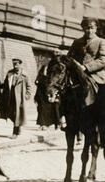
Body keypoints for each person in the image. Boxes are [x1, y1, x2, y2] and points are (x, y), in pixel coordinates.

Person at [67, 16, 105, 148]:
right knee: (65, 92)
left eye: (92, 28)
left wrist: (86, 67)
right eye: (86, 28)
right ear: (83, 28)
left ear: (96, 28)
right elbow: (69, 57)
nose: (89, 30)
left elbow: (103, 60)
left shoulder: (101, 41)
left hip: (97, 75)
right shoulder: (77, 42)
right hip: (78, 75)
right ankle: (65, 120)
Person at [1, 58, 32, 139]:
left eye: (17, 64)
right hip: (10, 97)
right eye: (14, 64)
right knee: (11, 114)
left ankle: (15, 132)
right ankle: (18, 127)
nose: (15, 66)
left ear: (20, 64)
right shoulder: (10, 73)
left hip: (20, 99)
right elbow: (5, 85)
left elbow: (29, 87)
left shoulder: (24, 75)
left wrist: (26, 96)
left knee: (17, 115)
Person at [34, 64, 60, 130]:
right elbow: (37, 81)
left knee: (48, 109)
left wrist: (52, 92)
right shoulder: (42, 70)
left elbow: (53, 82)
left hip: (48, 92)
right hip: (41, 93)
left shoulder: (53, 72)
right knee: (40, 109)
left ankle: (47, 124)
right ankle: (41, 124)